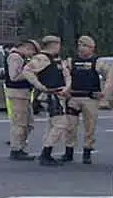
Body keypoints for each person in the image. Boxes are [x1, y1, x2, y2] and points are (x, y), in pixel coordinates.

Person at [19, 35, 75, 166]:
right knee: (60, 124)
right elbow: (27, 71)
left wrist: (67, 88)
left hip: (59, 93)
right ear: (54, 45)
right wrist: (41, 87)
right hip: (51, 95)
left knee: (52, 125)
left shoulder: (56, 59)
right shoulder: (42, 58)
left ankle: (46, 152)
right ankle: (46, 152)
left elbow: (66, 74)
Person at [64, 35, 103, 164]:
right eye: (80, 45)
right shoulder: (71, 61)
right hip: (73, 97)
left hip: (90, 98)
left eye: (85, 46)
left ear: (92, 48)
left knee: (90, 127)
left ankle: (87, 152)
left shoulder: (97, 61)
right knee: (70, 126)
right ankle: (68, 151)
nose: (82, 48)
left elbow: (109, 77)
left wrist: (103, 93)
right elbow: (63, 76)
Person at [5, 39, 37, 159]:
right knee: (20, 123)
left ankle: (20, 146)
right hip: (18, 93)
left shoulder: (18, 57)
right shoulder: (15, 57)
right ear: (26, 47)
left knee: (28, 123)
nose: (31, 55)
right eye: (31, 52)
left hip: (23, 93)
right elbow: (14, 76)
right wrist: (29, 73)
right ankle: (16, 148)